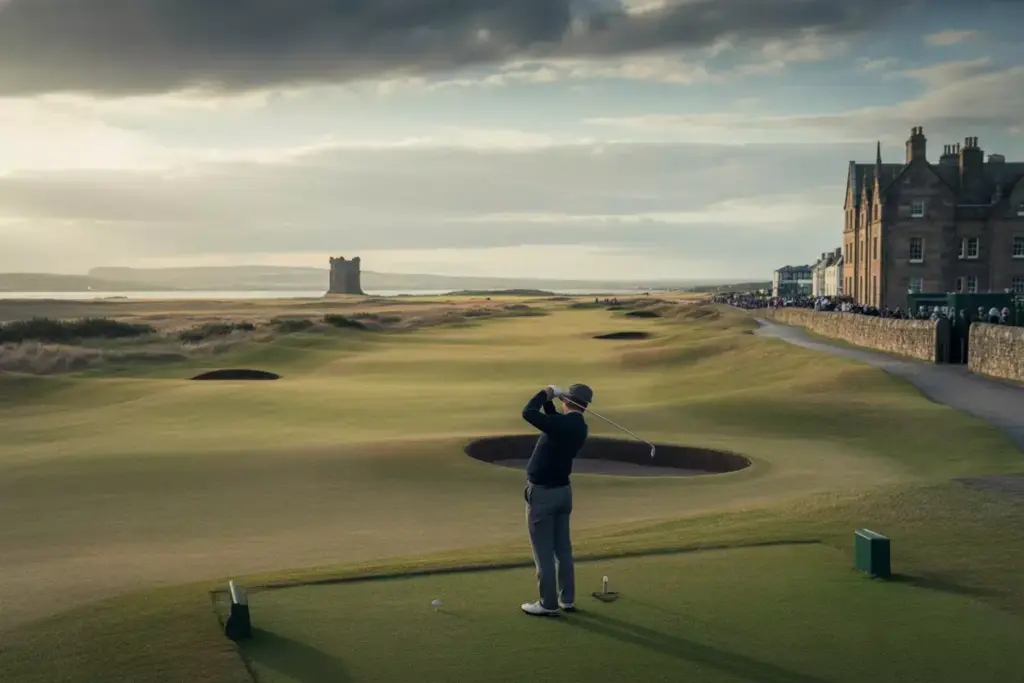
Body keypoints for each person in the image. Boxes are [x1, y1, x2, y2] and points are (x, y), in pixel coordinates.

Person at [519, 383, 592, 616]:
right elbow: (554, 422)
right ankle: (566, 600)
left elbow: (528, 412)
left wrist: (545, 393)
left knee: (543, 552)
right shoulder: (580, 427)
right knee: (563, 550)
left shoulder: (562, 425)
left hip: (543, 494)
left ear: (567, 401)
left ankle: (547, 604)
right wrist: (551, 402)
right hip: (563, 493)